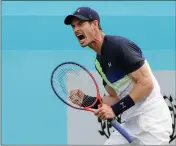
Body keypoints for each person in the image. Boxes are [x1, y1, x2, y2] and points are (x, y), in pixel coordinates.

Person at [64, 7, 173, 145]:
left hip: (153, 122)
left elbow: (146, 83)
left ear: (95, 25)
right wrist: (86, 100)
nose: (75, 30)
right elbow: (115, 97)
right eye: (73, 26)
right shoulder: (99, 62)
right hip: (130, 124)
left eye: (80, 24)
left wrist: (114, 111)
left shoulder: (119, 46)